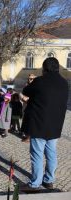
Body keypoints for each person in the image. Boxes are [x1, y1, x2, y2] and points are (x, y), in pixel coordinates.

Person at [20, 58, 68, 192]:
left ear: (45, 68)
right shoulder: (64, 83)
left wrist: (33, 82)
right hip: (55, 125)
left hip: (38, 124)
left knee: (37, 154)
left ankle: (35, 184)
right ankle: (49, 180)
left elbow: (26, 91)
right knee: (51, 153)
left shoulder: (40, 81)